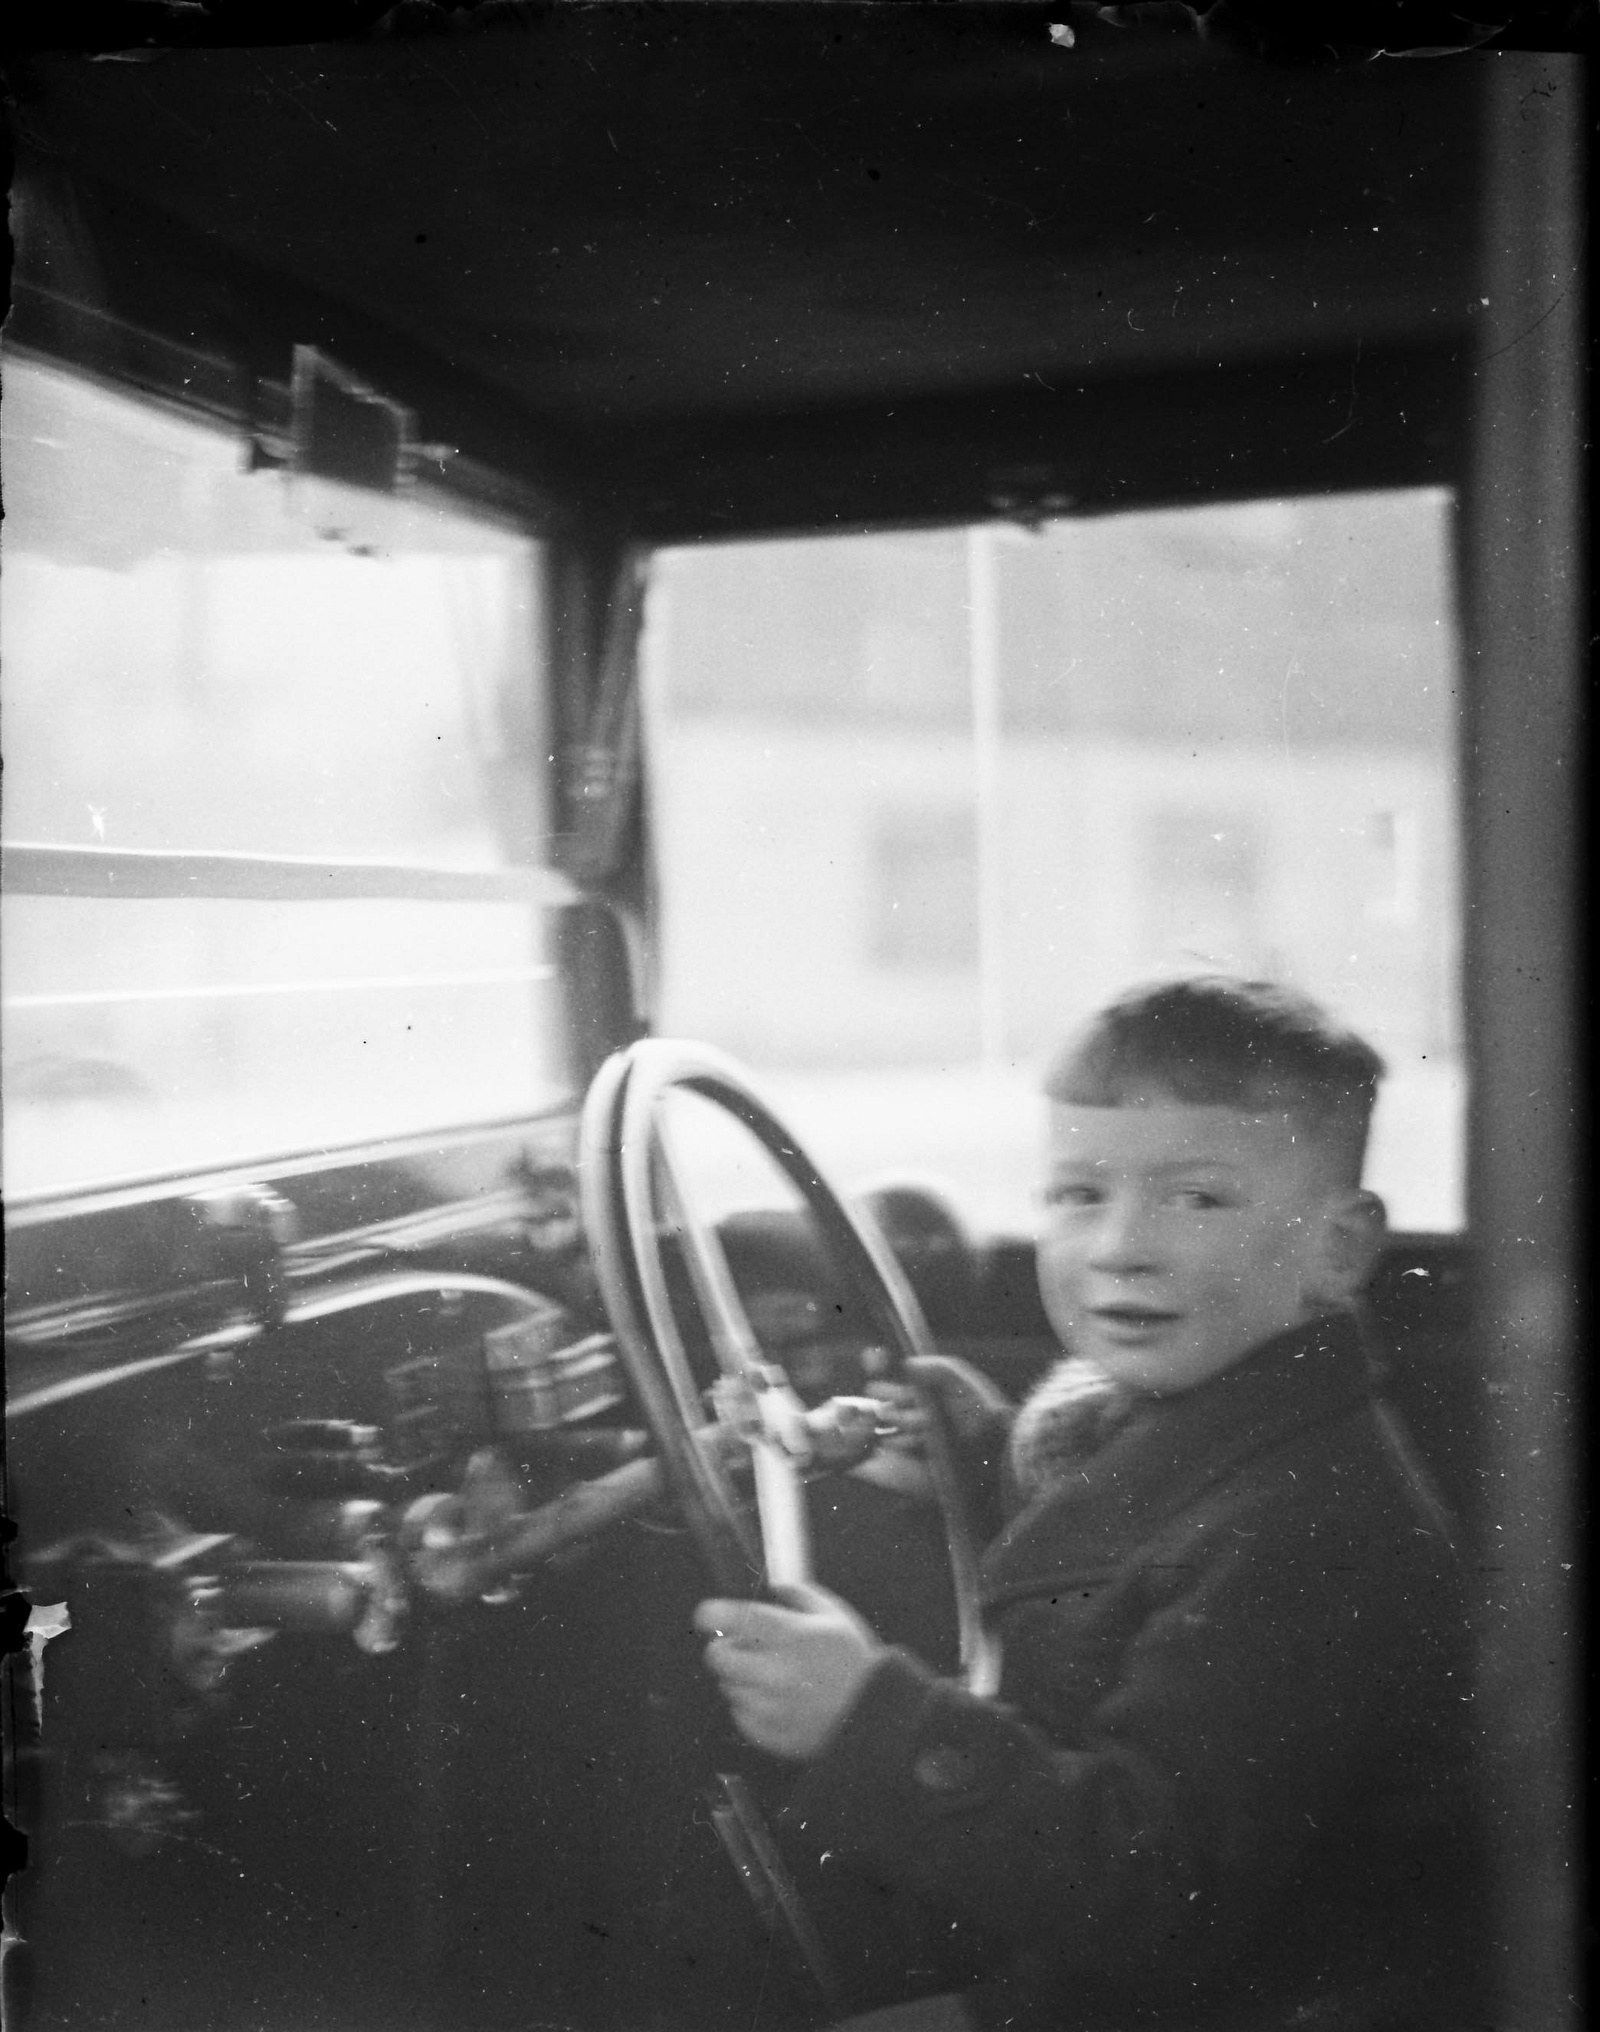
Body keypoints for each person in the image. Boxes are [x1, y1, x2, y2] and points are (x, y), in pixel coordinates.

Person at [694, 977, 1478, 2031]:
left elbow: (1155, 1894)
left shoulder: (1303, 1532)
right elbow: (1115, 1551)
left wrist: (865, 1720)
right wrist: (974, 1461)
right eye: (1077, 1195)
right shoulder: (1209, 1412)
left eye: (1196, 1197)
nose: (1120, 1245)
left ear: (1337, 1248)